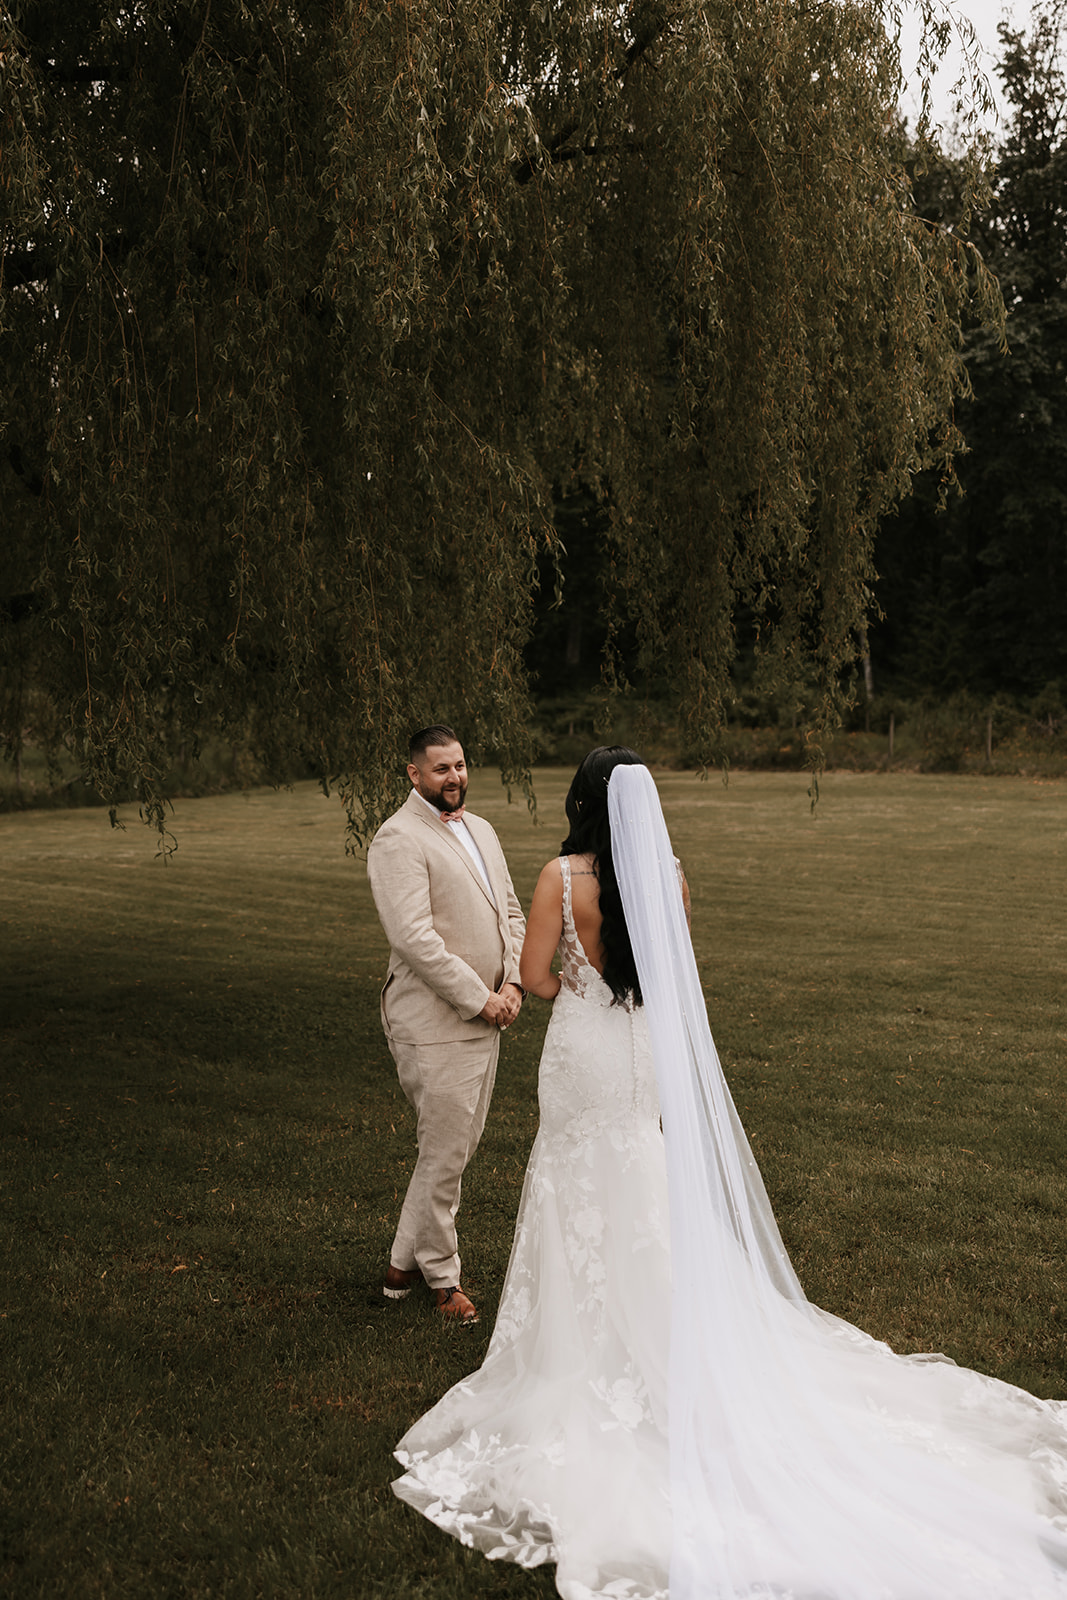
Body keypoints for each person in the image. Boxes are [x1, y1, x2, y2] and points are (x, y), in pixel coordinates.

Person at [391, 747, 1067, 1598]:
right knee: (643, 1180)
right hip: (638, 1053)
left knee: (578, 1186)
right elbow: (668, 978)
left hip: (583, 1055)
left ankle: (588, 1347)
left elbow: (536, 981)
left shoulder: (560, 878)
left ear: (579, 800)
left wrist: (566, 968)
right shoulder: (667, 874)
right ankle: (667, 1333)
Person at [366, 725, 525, 1325]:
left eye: (459, 765)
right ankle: (443, 1277)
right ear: (414, 775)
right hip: (433, 1021)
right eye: (440, 769)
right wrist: (479, 999)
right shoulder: (397, 839)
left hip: (489, 1011)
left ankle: (399, 1266)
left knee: (448, 1149)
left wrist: (511, 984)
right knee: (446, 1153)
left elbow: (509, 910)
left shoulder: (480, 828)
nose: (454, 777)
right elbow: (413, 939)